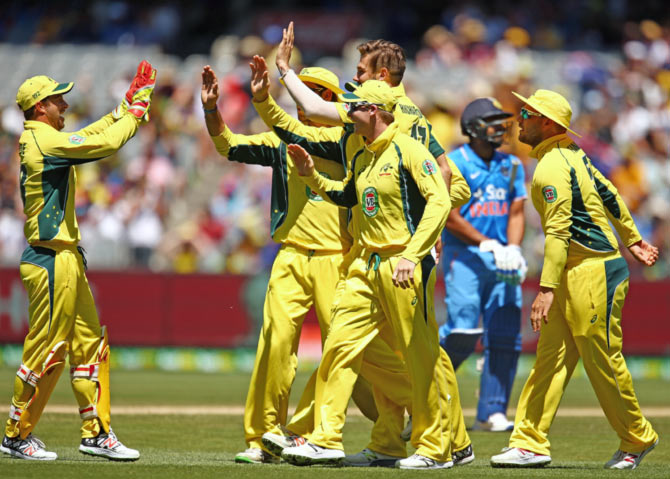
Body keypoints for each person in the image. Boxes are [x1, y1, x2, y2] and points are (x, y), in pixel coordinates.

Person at [249, 56, 475, 468]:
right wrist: (310, 176)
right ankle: (327, 438)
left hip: (403, 265)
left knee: (420, 356)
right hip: (364, 266)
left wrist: (415, 250)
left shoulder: (409, 147)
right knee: (338, 346)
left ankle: (439, 446)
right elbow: (347, 195)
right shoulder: (361, 151)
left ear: (373, 109)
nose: (346, 111)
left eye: (353, 106)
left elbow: (445, 195)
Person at [200, 63, 378, 465]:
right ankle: (264, 437)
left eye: (316, 94)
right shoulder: (283, 142)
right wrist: (212, 111)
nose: (304, 103)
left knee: (345, 351)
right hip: (291, 255)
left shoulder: (348, 141)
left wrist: (265, 99)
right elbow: (228, 146)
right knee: (275, 347)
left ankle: (387, 418)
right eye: (303, 93)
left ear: (332, 102)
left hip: (339, 259)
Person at [491, 89, 660, 469]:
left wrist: (546, 289)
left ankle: (636, 436)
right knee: (550, 358)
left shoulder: (552, 166)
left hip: (594, 270)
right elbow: (610, 192)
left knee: (599, 356)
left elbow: (558, 232)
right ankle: (529, 442)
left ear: (548, 123)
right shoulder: (571, 154)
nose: (518, 118)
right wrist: (631, 237)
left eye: (526, 113)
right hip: (580, 268)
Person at [1, 62, 156, 461]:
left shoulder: (44, 137)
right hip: (51, 258)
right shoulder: (43, 142)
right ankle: (16, 434)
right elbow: (101, 146)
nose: (65, 104)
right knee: (47, 348)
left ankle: (96, 432)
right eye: (58, 99)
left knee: (89, 345)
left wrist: (124, 107)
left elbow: (89, 133)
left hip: (65, 256)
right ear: (40, 108)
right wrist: (136, 115)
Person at [439, 97, 527, 432]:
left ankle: (493, 410)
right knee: (462, 329)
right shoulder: (453, 162)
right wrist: (486, 243)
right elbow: (448, 214)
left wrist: (514, 249)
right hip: (465, 257)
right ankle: (425, 396)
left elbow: (516, 211)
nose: (500, 128)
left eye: (501, 121)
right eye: (492, 121)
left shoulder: (512, 165)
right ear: (473, 127)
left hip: (503, 261)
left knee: (505, 333)